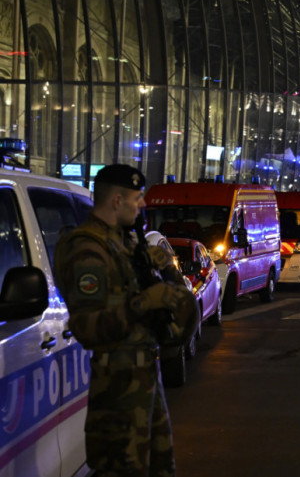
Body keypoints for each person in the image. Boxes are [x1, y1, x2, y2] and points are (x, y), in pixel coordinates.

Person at [53, 164, 197, 477]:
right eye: (138, 197)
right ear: (117, 200)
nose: (143, 204)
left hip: (144, 380)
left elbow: (181, 314)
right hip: (117, 392)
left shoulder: (124, 246)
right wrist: (144, 302)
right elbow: (87, 328)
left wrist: (167, 272)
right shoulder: (87, 250)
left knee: (161, 467)